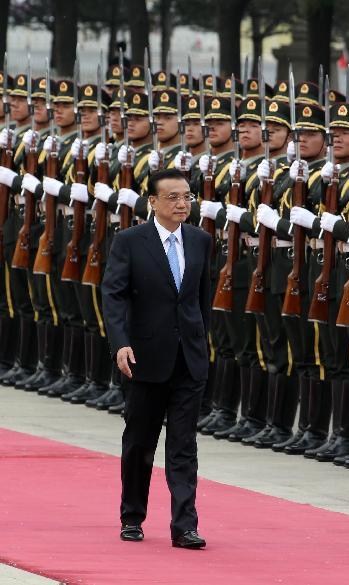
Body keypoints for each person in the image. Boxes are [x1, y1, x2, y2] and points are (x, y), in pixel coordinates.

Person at [102, 167, 212, 549]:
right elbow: (113, 296)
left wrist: (202, 343)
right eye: (173, 198)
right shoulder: (130, 241)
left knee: (184, 444)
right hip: (144, 358)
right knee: (139, 442)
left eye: (187, 197)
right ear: (153, 202)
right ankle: (132, 515)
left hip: (189, 359)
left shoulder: (200, 240)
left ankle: (185, 525)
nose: (182, 204)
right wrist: (120, 343)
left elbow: (202, 300)